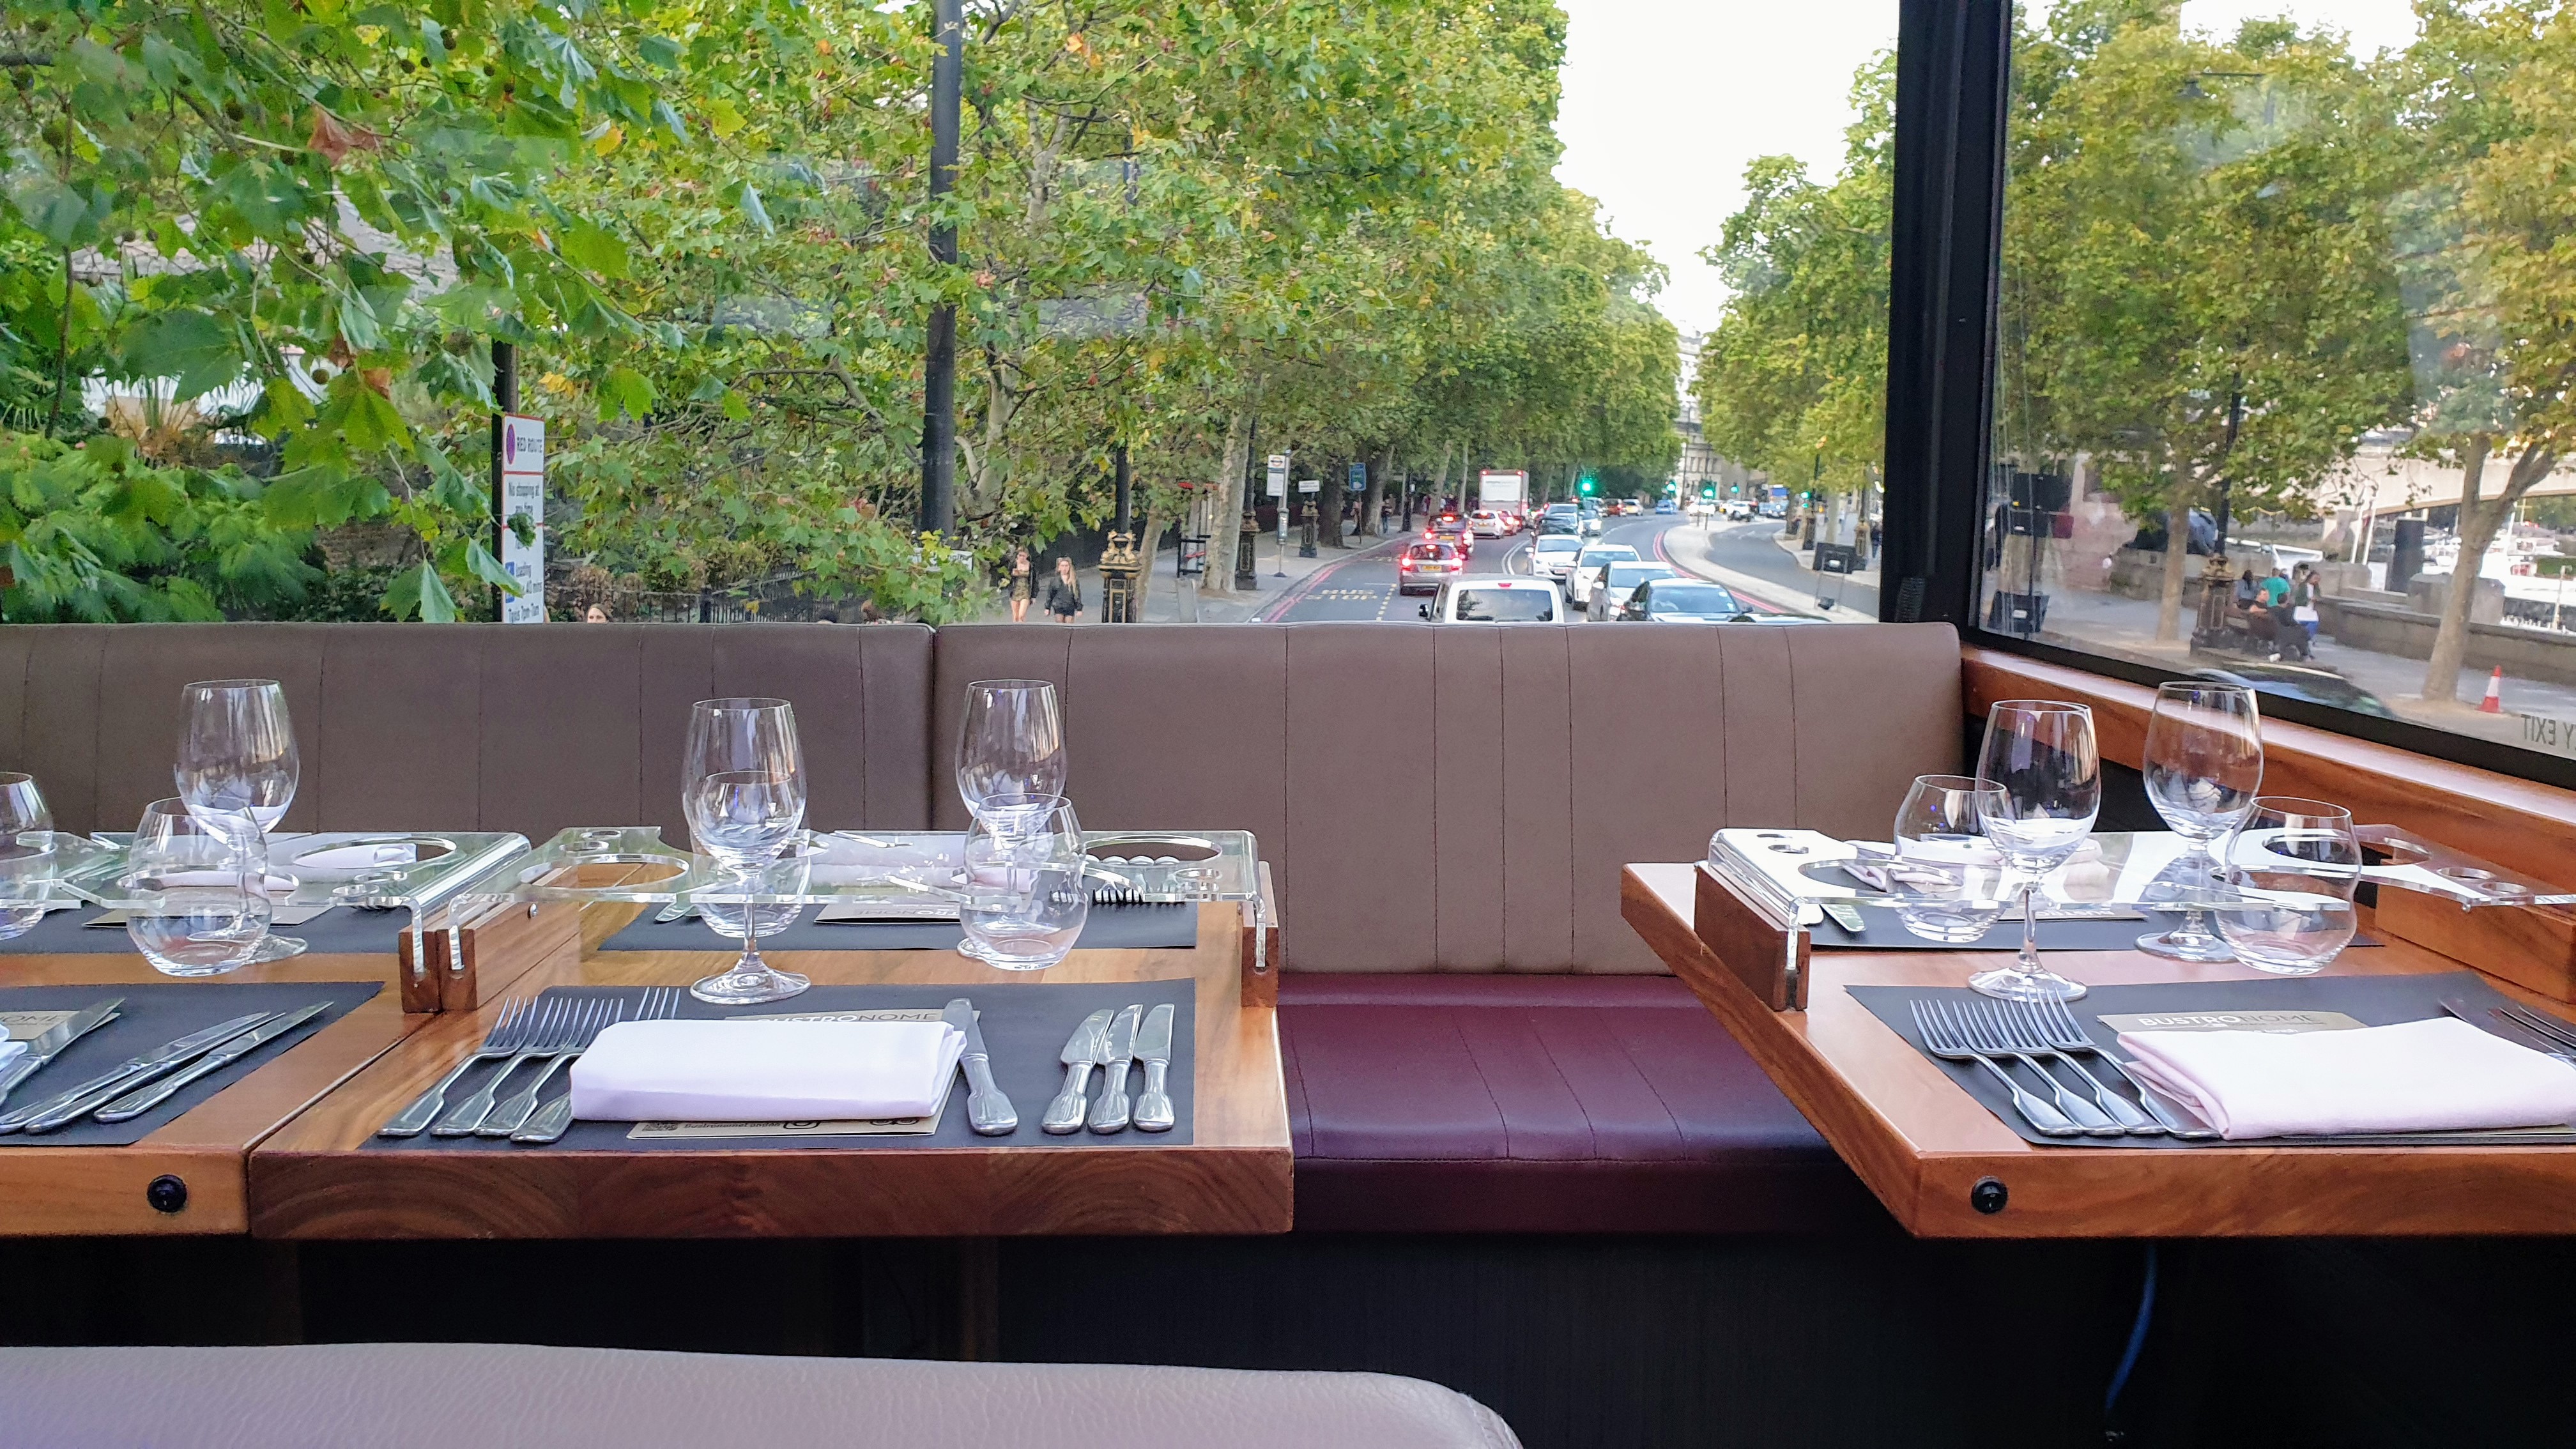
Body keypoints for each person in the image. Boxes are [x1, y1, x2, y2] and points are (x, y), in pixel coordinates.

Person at [2281, 564, 2320, 661]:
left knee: (2311, 628)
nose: (2317, 581)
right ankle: (2303, 649)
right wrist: (2308, 599)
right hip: (2301, 611)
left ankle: (2306, 645)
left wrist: (2316, 599)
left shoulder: (2316, 588)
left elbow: (2319, 596)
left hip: (2310, 611)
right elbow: (2298, 599)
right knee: (2300, 630)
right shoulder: (2303, 586)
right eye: (2315, 578)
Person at [1044, 556, 1084, 623]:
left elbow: (1077, 595)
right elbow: (1050, 595)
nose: (1064, 568)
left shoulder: (1074, 580)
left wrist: (1079, 609)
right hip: (1059, 606)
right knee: (1060, 624)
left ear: (1069, 567)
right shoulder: (1054, 580)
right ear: (1059, 567)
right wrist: (1047, 608)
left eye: (1066, 566)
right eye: (1062, 566)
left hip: (1070, 607)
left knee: (1069, 626)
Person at [1008, 548, 1034, 623]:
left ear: (1027, 556)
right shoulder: (1013, 564)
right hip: (1015, 591)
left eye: (1024, 556)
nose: (1022, 558)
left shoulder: (1031, 566)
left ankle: (1022, 629)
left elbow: (1034, 580)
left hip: (1025, 591)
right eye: (1020, 555)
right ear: (1017, 556)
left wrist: (1033, 596)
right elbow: (1008, 577)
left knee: (1021, 616)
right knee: (1015, 616)